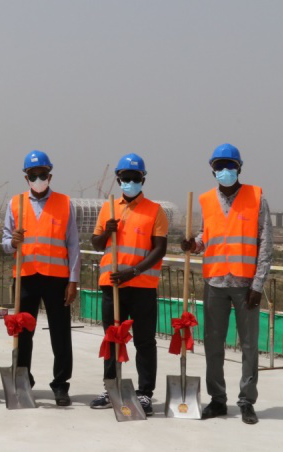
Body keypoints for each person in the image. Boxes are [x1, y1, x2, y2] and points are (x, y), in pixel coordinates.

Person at [181, 143, 272, 425]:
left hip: (245, 285)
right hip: (215, 282)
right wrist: (194, 245)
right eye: (219, 166)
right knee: (213, 344)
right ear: (212, 171)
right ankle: (218, 399)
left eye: (229, 166)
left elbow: (265, 243)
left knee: (249, 346)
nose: (224, 170)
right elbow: (206, 235)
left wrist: (258, 285)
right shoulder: (207, 200)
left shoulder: (256, 198)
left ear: (239, 168)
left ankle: (246, 401)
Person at [89, 153, 167, 416]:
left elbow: (159, 249)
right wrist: (107, 231)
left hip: (142, 285)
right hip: (112, 285)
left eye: (135, 178)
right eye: (126, 177)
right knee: (112, 337)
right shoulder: (108, 208)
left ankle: (145, 393)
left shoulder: (155, 210)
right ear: (118, 178)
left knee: (144, 341)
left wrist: (133, 272)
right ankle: (110, 386)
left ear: (143, 179)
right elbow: (96, 244)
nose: (130, 182)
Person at [1, 150, 80, 406]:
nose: (38, 179)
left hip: (56, 278)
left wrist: (73, 281)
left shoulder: (64, 203)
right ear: (26, 178)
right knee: (23, 332)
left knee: (60, 333)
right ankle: (23, 379)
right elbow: (5, 243)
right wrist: (13, 242)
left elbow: (73, 245)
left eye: (42, 174)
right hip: (25, 276)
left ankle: (60, 384)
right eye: (33, 175)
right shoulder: (15, 203)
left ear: (50, 176)